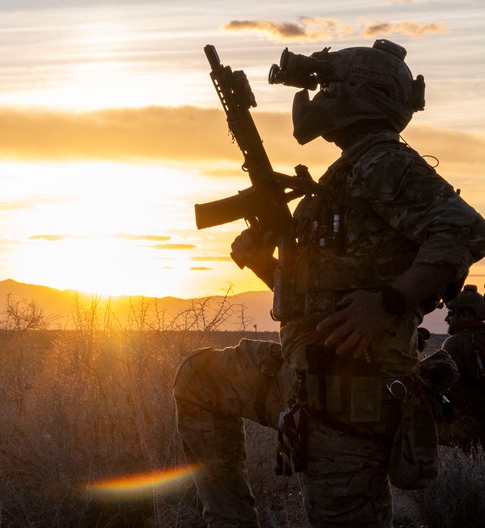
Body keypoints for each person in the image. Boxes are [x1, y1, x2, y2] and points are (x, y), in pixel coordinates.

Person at [173, 39, 485, 527]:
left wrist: (387, 302)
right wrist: (264, 264)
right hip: (304, 378)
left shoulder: (384, 162)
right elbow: (314, 294)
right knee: (200, 378)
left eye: (328, 85)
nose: (318, 97)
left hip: (352, 398)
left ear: (360, 93)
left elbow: (466, 230)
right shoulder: (349, 173)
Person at [438, 284, 485, 449]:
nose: (446, 319)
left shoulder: (456, 342)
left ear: (465, 315)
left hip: (473, 424)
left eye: (451, 314)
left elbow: (453, 389)